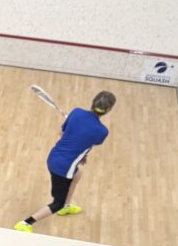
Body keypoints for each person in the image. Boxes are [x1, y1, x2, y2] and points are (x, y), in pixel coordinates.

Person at [13, 91, 116, 232]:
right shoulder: (102, 131)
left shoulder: (76, 112)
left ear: (93, 102)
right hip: (63, 168)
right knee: (57, 203)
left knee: (78, 175)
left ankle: (66, 207)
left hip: (53, 157)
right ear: (108, 110)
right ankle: (26, 223)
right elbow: (90, 141)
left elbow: (64, 133)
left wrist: (75, 127)